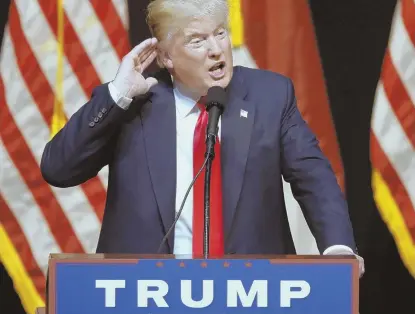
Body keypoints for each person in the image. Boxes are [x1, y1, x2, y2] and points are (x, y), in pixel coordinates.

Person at [41, 0, 364, 275]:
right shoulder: (134, 105)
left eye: (220, 34)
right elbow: (59, 168)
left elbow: (314, 177)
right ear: (166, 57)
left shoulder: (270, 96)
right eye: (197, 41)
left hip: (251, 293)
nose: (215, 50)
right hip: (147, 295)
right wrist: (117, 96)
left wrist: (338, 248)